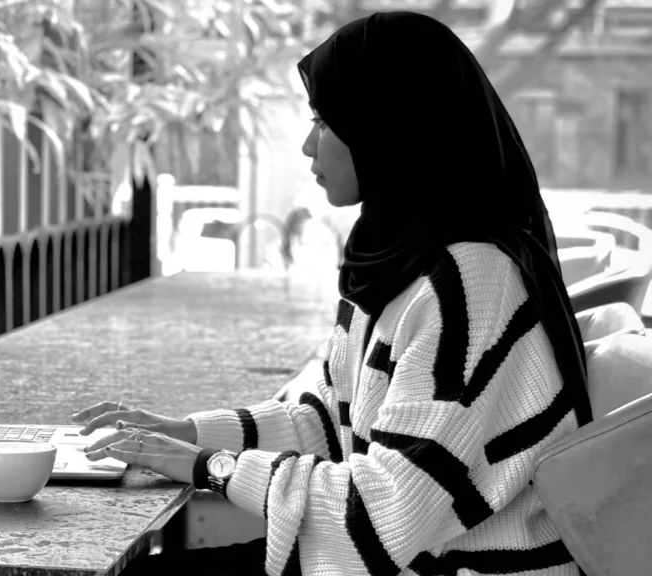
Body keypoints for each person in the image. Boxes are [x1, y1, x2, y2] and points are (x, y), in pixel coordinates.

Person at [71, 11, 593, 576]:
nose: (306, 145)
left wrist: (210, 466)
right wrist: (187, 433)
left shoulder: (470, 282)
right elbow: (330, 421)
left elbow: (382, 517)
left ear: (387, 126)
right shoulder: (398, 257)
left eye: (323, 121)